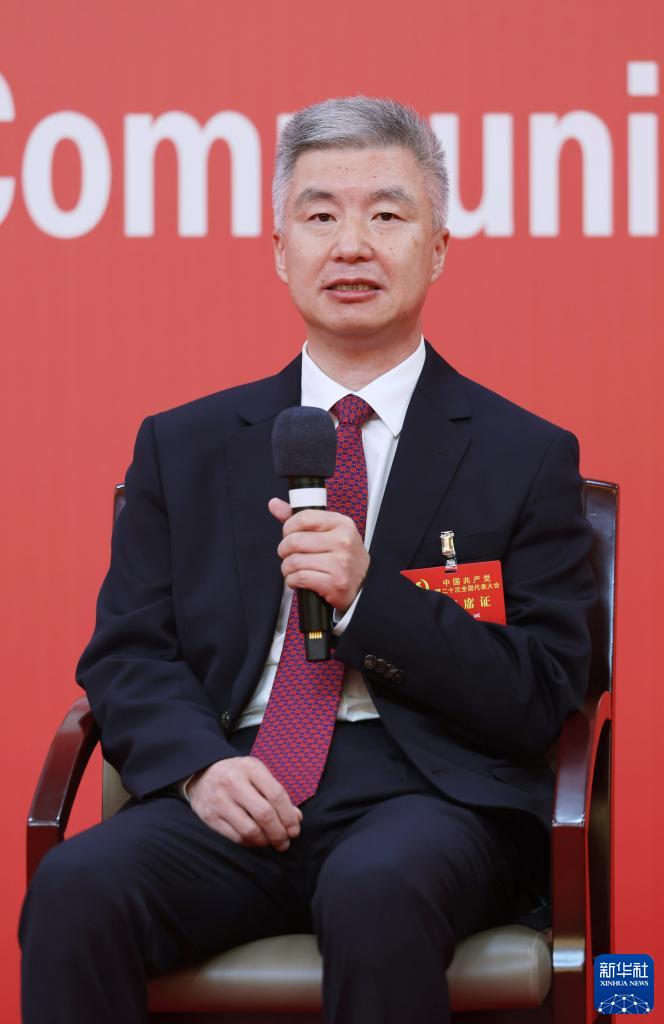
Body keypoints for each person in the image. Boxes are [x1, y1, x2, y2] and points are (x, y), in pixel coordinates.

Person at [19, 96, 596, 1024]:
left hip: (428, 802)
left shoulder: (523, 455)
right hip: (238, 782)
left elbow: (545, 688)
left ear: (439, 249)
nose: (352, 245)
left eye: (387, 215)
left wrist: (368, 599)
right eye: (321, 216)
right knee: (78, 889)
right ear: (281, 251)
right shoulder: (184, 446)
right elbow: (128, 654)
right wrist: (202, 771)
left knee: (377, 891)